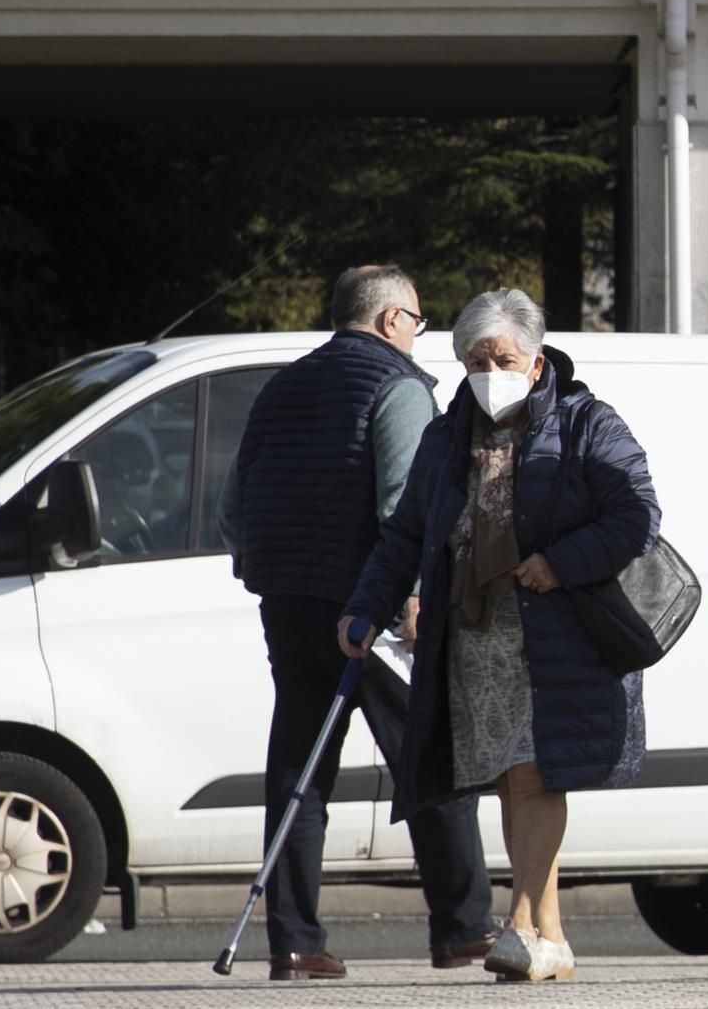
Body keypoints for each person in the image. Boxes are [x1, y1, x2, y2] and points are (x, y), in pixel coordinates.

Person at [341, 289, 659, 984]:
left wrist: (559, 562)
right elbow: (405, 535)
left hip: (559, 632)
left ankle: (518, 923)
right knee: (513, 781)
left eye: (504, 358)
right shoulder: (446, 436)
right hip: (479, 635)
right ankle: (550, 936)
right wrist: (367, 607)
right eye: (476, 359)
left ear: (538, 363)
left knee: (537, 770)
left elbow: (637, 516)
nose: (490, 371)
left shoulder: (586, 423)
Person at [219, 265, 494, 982]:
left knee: (299, 770)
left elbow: (232, 503)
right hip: (363, 606)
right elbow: (405, 504)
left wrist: (263, 569)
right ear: (391, 320)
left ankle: (295, 943)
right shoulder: (398, 386)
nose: (418, 336)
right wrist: (405, 595)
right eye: (418, 321)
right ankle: (462, 929)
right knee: (429, 753)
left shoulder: (280, 386)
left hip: (285, 599)